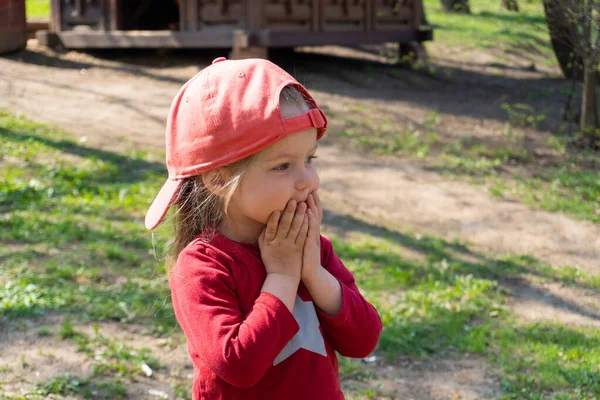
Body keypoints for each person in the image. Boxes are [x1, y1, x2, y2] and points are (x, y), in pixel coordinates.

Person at [145, 56, 382, 399]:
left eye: (309, 160)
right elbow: (239, 366)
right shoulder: (203, 267)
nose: (308, 181)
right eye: (283, 166)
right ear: (218, 179)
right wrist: (284, 278)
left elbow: (363, 340)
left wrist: (313, 273)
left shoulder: (312, 247)